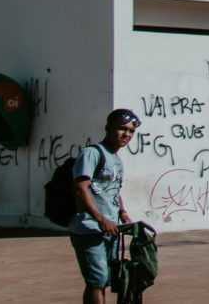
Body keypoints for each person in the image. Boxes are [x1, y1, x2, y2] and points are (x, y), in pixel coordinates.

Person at [69, 108, 139, 304]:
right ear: (108, 128)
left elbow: (113, 190)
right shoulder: (92, 153)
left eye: (131, 131)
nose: (126, 134)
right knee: (97, 280)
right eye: (122, 129)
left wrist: (123, 213)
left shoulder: (116, 159)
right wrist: (101, 219)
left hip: (111, 228)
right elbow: (81, 188)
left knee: (103, 280)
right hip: (89, 228)